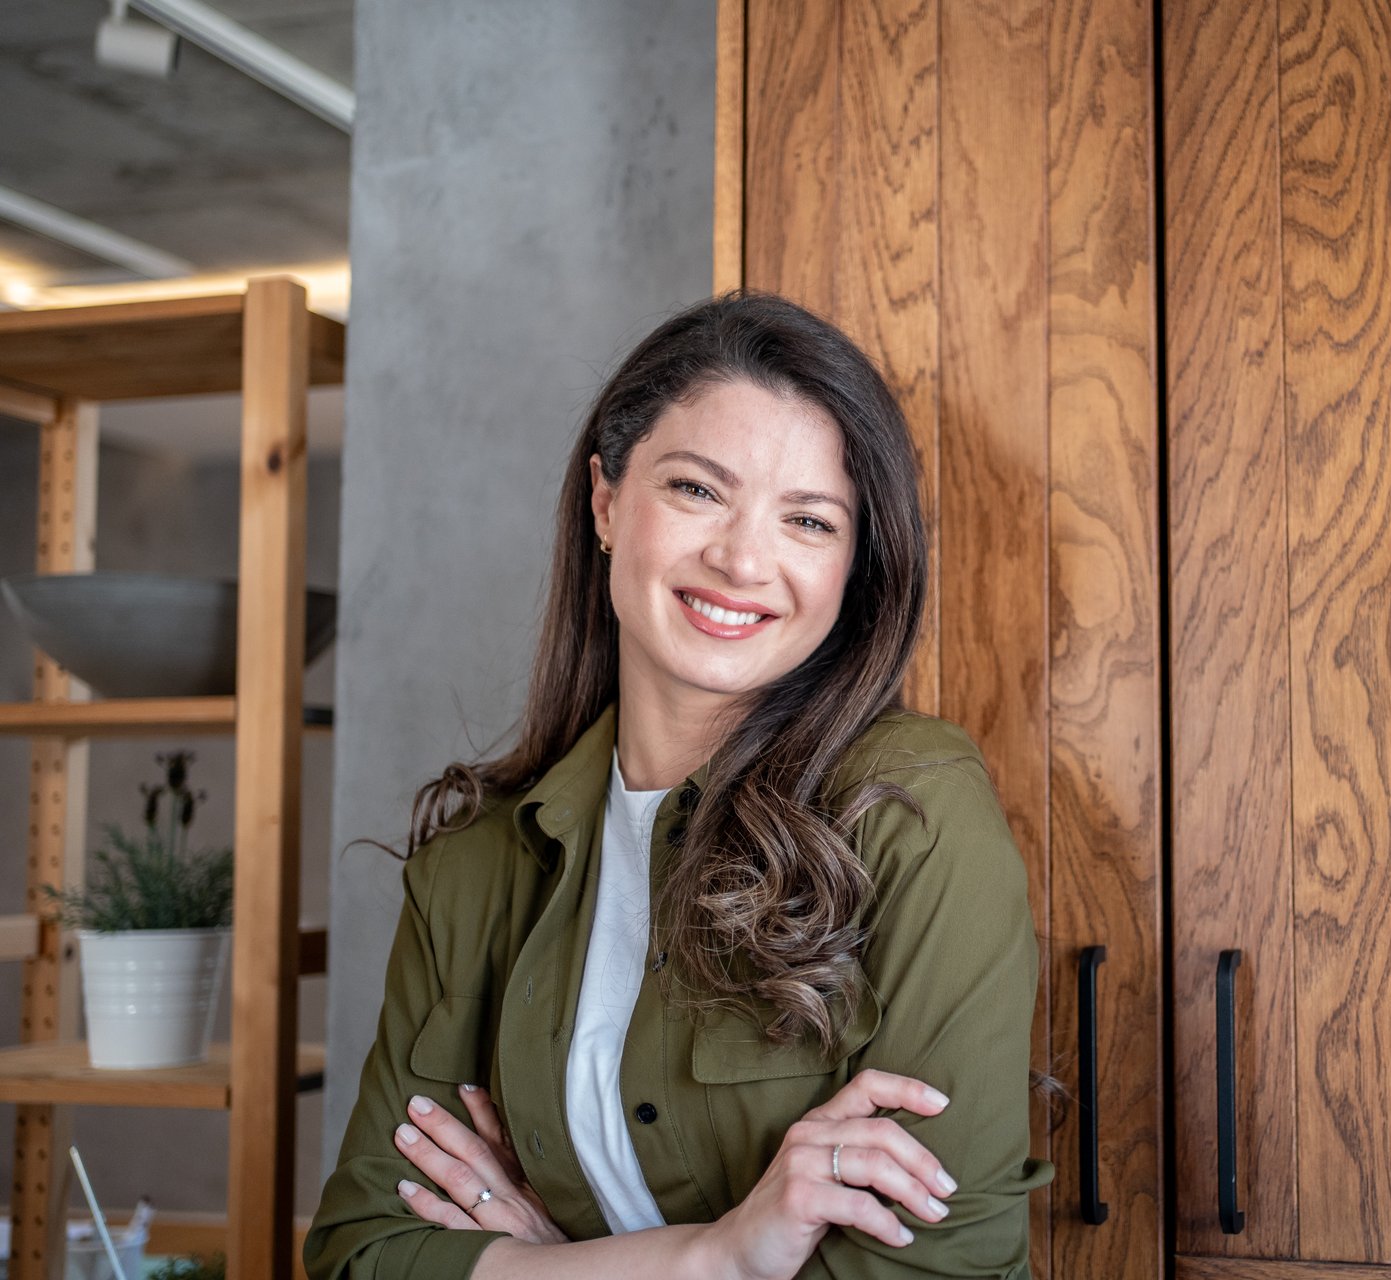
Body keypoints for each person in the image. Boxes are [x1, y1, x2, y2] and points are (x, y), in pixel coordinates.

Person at [304, 292, 1052, 1279]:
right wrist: (715, 1255)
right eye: (698, 490)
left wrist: (555, 1262)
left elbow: (940, 1267)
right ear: (607, 501)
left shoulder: (912, 809)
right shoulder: (476, 864)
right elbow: (364, 1248)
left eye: (808, 519)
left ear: (852, 567)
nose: (744, 559)